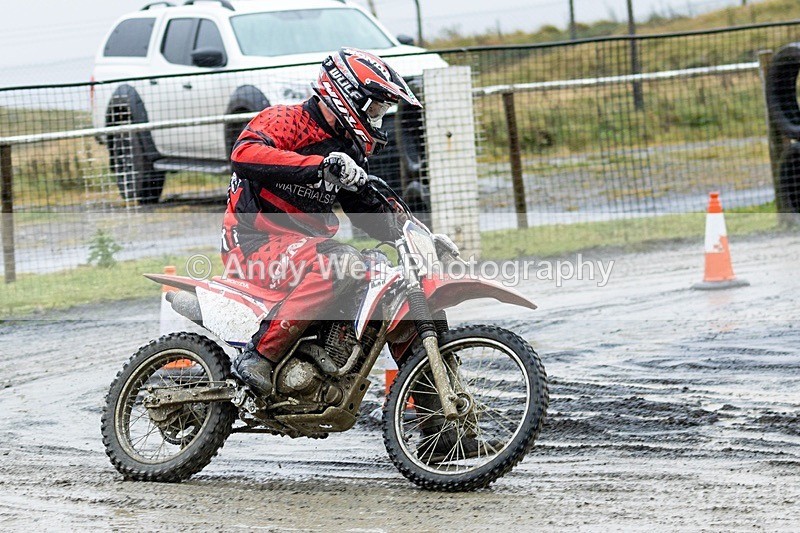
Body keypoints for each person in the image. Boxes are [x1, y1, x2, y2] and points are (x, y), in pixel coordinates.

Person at [222, 48, 421, 397]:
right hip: (253, 246)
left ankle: (435, 415)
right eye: (375, 109)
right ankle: (260, 356)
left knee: (386, 277)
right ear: (348, 95)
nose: (377, 119)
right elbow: (244, 153)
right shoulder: (286, 120)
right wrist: (320, 166)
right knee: (341, 262)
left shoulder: (349, 151)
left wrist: (415, 234)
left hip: (305, 251)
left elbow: (365, 209)